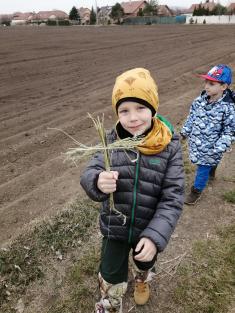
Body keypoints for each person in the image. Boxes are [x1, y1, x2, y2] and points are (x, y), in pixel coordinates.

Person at [80, 68, 184, 313]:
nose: (133, 117)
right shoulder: (111, 141)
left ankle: (141, 281)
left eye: (140, 108)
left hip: (148, 228)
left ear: (153, 109)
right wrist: (97, 181)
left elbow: (173, 196)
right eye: (124, 110)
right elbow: (89, 171)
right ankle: (109, 303)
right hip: (114, 227)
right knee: (110, 272)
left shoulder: (167, 146)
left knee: (144, 261)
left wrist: (155, 236)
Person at [181, 64, 235, 205]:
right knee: (203, 163)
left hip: (212, 148)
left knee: (202, 168)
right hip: (197, 142)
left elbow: (230, 130)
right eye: (206, 82)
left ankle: (196, 191)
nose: (206, 86)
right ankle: (213, 168)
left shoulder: (228, 108)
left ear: (224, 87)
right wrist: (184, 132)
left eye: (211, 83)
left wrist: (219, 146)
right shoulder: (199, 101)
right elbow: (191, 118)